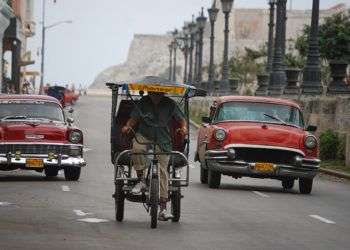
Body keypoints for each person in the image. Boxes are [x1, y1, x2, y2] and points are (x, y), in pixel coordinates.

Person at [122, 91, 187, 221]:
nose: (156, 96)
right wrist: (127, 127)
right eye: (153, 93)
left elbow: (181, 119)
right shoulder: (143, 102)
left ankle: (163, 208)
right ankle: (141, 180)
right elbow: (133, 119)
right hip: (144, 136)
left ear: (163, 93)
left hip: (163, 140)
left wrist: (184, 128)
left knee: (163, 171)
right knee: (137, 148)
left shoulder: (170, 104)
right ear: (149, 93)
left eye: (159, 93)